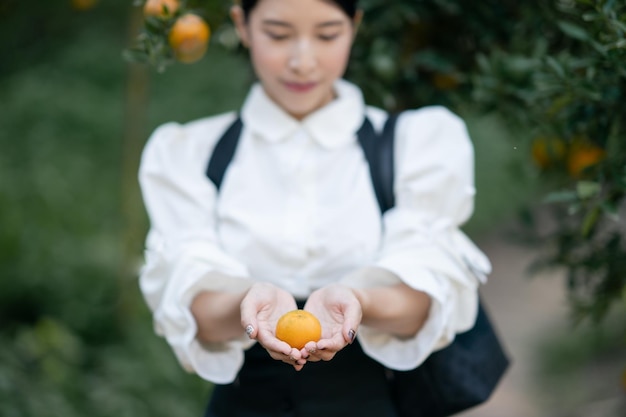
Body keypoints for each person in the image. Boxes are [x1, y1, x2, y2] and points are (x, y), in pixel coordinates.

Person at [137, 0, 492, 415]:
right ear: (243, 25)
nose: (302, 61)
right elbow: (191, 306)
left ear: (354, 26)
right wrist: (250, 303)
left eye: (327, 35)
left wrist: (358, 300)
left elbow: (427, 302)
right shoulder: (192, 153)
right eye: (278, 34)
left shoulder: (411, 145)